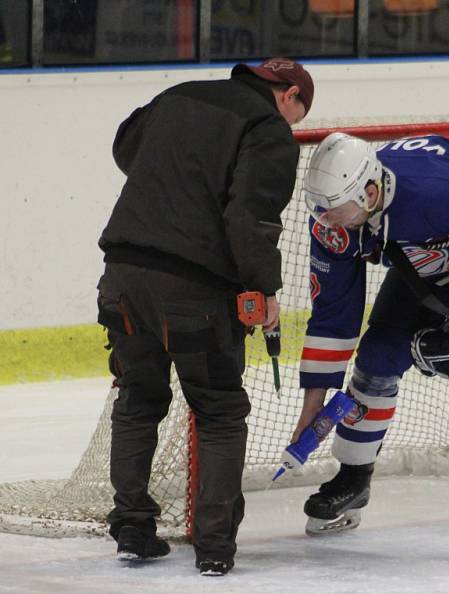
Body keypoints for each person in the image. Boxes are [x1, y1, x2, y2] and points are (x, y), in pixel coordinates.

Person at [96, 57, 313, 576]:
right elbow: (252, 217)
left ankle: (132, 529)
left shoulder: (179, 93)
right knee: (218, 411)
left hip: (122, 277)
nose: (294, 126)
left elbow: (125, 147)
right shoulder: (267, 129)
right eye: (299, 114)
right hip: (193, 292)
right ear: (286, 95)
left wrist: (177, 184)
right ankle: (214, 546)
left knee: (138, 399)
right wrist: (264, 288)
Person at [294, 131, 449, 558]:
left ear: (370, 191)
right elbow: (333, 315)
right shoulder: (333, 220)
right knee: (377, 358)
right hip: (428, 249)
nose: (328, 222)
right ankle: (353, 480)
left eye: (337, 210)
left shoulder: (438, 191)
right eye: (321, 211)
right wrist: (312, 405)